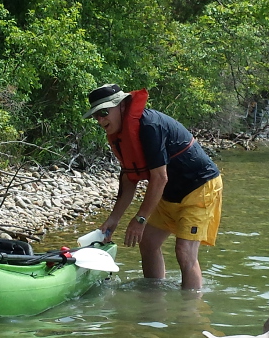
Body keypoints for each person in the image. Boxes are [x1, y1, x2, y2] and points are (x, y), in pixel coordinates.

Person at [83, 83, 223, 290]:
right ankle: (153, 304)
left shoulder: (150, 126)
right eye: (96, 116)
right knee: (148, 243)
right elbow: (129, 178)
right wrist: (113, 220)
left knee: (184, 252)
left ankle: (190, 314)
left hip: (199, 189)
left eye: (104, 112)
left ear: (121, 106)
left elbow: (159, 177)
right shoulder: (119, 135)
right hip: (168, 194)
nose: (100, 119)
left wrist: (140, 219)